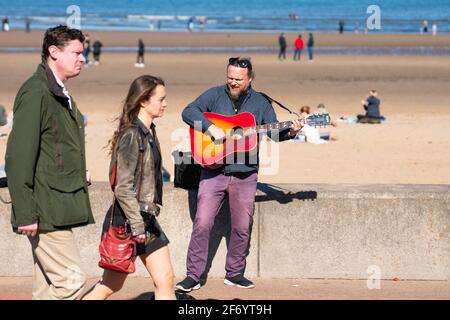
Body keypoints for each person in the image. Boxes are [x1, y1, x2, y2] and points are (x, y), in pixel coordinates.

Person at [176, 57, 303, 292]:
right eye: (230, 78)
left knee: (242, 226)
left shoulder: (261, 103)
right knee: (202, 223)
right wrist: (209, 127)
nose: (233, 83)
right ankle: (193, 276)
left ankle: (234, 273)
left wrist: (292, 131)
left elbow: (275, 133)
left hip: (246, 174)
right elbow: (188, 111)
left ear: (250, 79)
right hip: (213, 170)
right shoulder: (214, 95)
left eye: (238, 79)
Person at [5, 25, 94, 300]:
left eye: (84, 53)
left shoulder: (55, 91)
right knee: (73, 283)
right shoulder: (37, 92)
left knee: (47, 289)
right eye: (77, 53)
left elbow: (54, 147)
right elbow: (18, 156)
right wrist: (26, 213)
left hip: (56, 204)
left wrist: (79, 171)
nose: (83, 59)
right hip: (44, 209)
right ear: (53, 52)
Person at [82, 75, 176, 300]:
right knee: (110, 286)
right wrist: (137, 225)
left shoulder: (149, 132)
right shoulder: (132, 135)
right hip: (128, 221)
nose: (165, 104)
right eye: (160, 99)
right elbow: (122, 187)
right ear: (143, 101)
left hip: (146, 218)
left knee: (166, 279)